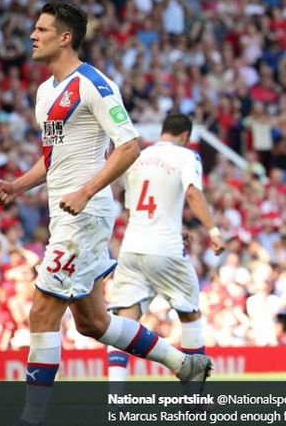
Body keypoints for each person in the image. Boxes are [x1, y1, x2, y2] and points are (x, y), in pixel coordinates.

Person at [0, 2, 211, 426]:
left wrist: (86, 189)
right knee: (93, 323)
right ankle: (183, 364)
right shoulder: (45, 92)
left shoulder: (95, 84)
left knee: (41, 310)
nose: (32, 36)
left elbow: (129, 145)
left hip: (85, 216)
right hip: (66, 213)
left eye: (41, 29)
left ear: (65, 37)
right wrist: (19, 185)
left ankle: (31, 418)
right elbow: (53, 156)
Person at [107, 113, 225, 389]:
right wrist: (213, 231)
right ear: (185, 136)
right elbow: (193, 193)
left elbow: (135, 207)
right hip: (166, 250)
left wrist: (174, 226)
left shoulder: (136, 157)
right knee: (190, 314)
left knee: (124, 323)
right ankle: (192, 397)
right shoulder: (187, 156)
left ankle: (116, 400)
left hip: (133, 247)